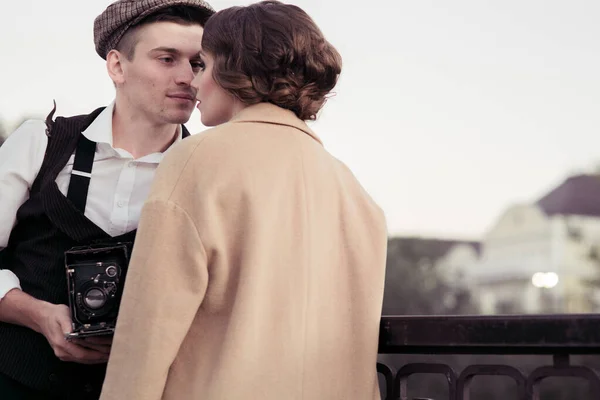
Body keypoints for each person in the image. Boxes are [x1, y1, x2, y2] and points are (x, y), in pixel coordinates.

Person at [100, 1, 388, 399]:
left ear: (234, 68)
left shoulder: (198, 159)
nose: (193, 82)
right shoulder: (355, 192)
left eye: (203, 64)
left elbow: (148, 331)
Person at [0, 0, 214, 399]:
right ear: (117, 66)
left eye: (199, 63)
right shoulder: (41, 143)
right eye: (167, 59)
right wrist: (37, 315)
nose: (188, 77)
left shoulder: (210, 172)